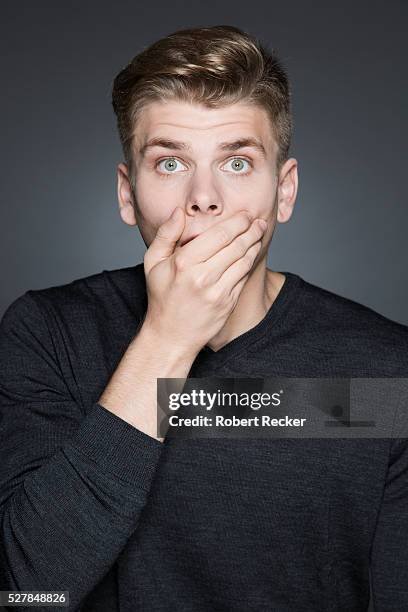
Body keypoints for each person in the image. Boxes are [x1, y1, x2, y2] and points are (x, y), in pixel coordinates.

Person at [0, 24, 407, 612]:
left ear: (284, 192)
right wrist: (166, 340)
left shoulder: (385, 374)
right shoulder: (50, 336)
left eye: (238, 163)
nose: (204, 197)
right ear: (126, 193)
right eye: (169, 164)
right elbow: (27, 593)